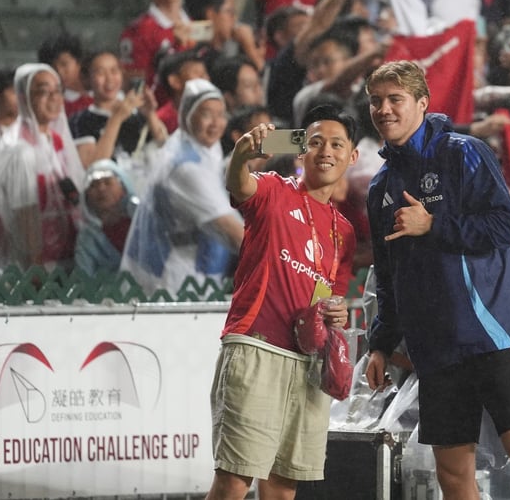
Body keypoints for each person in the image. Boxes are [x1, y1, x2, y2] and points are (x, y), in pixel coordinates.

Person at [364, 60, 510, 500]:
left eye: (395, 99)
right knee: (453, 477)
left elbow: (503, 226)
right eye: (375, 101)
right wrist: (380, 343)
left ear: (421, 102)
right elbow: (389, 277)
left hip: (491, 337)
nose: (384, 110)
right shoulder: (380, 187)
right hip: (435, 352)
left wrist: (432, 224)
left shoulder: (462, 152)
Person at [207, 104, 359, 500]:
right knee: (233, 482)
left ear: (352, 156)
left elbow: (329, 297)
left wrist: (337, 311)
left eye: (337, 144)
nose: (326, 151)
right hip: (257, 347)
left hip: (308, 365)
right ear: (299, 151)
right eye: (316, 142)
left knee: (281, 488)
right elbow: (241, 185)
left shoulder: (344, 231)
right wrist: (242, 154)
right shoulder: (274, 190)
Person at [121, 79, 244, 294]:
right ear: (187, 116)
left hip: (201, 265)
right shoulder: (186, 169)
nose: (216, 123)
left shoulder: (195, 146)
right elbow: (233, 232)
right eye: (206, 114)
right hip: (177, 276)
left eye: (220, 114)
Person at [0, 63, 85, 276]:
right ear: (23, 97)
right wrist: (34, 266)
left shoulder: (56, 140)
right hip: (31, 264)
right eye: (43, 91)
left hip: (63, 255)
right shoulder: (20, 148)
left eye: (57, 91)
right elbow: (24, 213)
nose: (53, 97)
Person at [74, 158, 137, 276]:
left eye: (107, 182)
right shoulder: (87, 237)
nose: (101, 189)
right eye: (94, 185)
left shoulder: (140, 224)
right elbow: (83, 280)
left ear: (123, 188)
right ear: (86, 196)